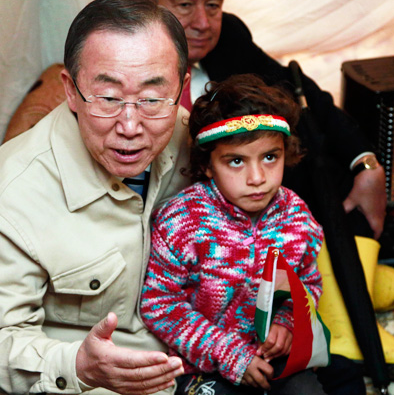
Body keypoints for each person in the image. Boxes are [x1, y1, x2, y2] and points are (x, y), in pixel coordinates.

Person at [0, 0, 193, 395]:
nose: (131, 125)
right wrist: (78, 366)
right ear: (70, 90)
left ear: (181, 90)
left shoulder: (194, 141)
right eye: (108, 98)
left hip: (199, 364)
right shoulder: (11, 194)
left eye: (153, 98)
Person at [140, 74, 365, 394]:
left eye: (270, 157)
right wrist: (230, 355)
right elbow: (160, 303)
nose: (257, 177)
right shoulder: (181, 222)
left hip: (274, 360)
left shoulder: (298, 217)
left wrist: (286, 323)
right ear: (206, 164)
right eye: (235, 161)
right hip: (202, 366)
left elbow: (308, 284)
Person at [136, 0, 386, 240]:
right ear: (147, 5)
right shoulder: (122, 63)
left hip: (261, 221)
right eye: (185, 5)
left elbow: (300, 90)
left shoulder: (228, 37)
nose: (203, 23)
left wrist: (366, 164)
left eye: (213, 5)